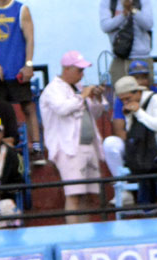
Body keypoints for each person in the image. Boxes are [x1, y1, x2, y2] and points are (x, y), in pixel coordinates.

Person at [39, 51, 106, 224]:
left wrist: (96, 97)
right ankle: (73, 235)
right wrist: (83, 96)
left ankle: (84, 233)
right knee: (74, 194)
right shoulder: (52, 90)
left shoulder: (77, 88)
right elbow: (63, 109)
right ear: (66, 69)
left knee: (87, 195)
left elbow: (96, 113)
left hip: (88, 145)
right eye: (79, 70)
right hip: (68, 148)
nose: (82, 74)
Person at [0, 0, 42, 164]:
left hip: (18, 70)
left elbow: (30, 38)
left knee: (27, 106)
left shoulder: (21, 9)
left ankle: (36, 147)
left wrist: (28, 64)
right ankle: (2, 147)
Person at [115, 75, 157, 212]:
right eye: (122, 100)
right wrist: (128, 116)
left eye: (128, 99)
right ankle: (148, 219)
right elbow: (131, 131)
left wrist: (139, 112)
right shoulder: (130, 107)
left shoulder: (156, 100)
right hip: (143, 154)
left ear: (138, 92)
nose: (125, 102)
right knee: (144, 198)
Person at [103, 60, 157, 180]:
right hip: (134, 141)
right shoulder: (122, 98)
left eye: (144, 77)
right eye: (136, 78)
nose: (141, 82)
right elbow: (119, 131)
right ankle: (123, 185)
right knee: (110, 143)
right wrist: (135, 145)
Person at [99, 0, 154, 85]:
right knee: (122, 95)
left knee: (146, 94)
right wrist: (123, 14)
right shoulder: (108, 2)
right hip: (120, 59)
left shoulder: (143, 1)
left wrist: (132, 9)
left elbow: (148, 24)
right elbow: (105, 26)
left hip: (143, 57)